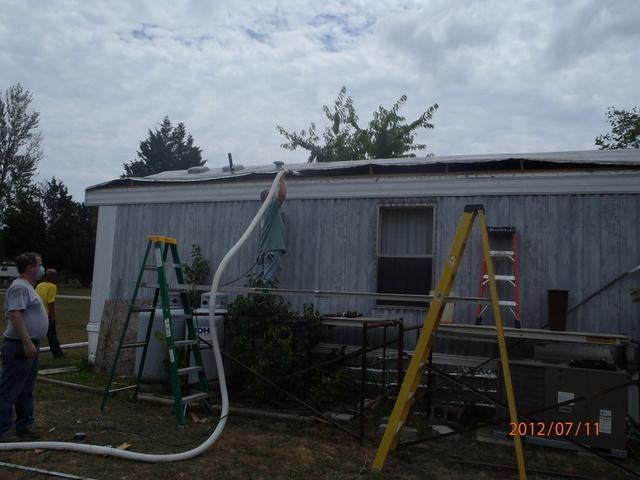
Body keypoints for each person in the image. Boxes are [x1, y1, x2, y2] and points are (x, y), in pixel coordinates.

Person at [0, 252, 48, 442]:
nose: (41, 269)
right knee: (9, 389)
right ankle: (2, 430)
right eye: (40, 264)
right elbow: (16, 315)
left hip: (30, 346)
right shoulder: (19, 287)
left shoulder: (27, 287)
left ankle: (24, 425)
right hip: (20, 346)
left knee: (25, 388)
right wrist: (26, 342)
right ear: (30, 268)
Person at [256, 175, 287, 281]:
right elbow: (282, 195)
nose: (275, 196)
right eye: (273, 196)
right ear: (269, 199)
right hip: (272, 251)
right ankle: (265, 298)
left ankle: (260, 298)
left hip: (265, 252)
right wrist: (281, 178)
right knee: (268, 283)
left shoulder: (264, 212)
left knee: (261, 282)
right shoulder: (270, 208)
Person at [36, 269, 64, 358]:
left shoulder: (39, 285)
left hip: (38, 313)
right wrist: (53, 315)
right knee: (52, 335)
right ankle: (57, 354)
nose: (56, 278)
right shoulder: (52, 286)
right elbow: (50, 302)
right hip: (47, 314)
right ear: (51, 277)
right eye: (55, 276)